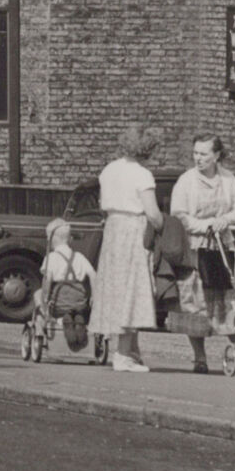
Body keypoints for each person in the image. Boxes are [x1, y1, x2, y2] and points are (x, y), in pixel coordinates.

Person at [89, 128, 163, 372]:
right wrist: (162, 225)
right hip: (133, 230)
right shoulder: (142, 174)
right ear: (146, 149)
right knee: (132, 289)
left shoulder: (109, 169)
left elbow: (103, 203)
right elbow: (152, 212)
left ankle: (130, 350)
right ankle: (123, 356)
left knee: (115, 289)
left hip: (112, 229)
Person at [169, 135, 235, 375]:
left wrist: (225, 220)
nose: (198, 158)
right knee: (197, 303)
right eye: (195, 153)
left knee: (229, 298)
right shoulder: (186, 181)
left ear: (217, 156)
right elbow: (178, 214)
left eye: (203, 154)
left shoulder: (228, 179)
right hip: (196, 246)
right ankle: (199, 357)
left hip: (222, 246)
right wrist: (204, 225)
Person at [37, 216, 96, 356]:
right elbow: (93, 275)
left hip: (60, 305)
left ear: (51, 240)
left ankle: (58, 320)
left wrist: (44, 298)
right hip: (79, 303)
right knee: (77, 309)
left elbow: (48, 279)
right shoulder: (80, 256)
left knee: (37, 295)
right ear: (70, 240)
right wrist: (94, 295)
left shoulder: (51, 258)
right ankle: (78, 319)